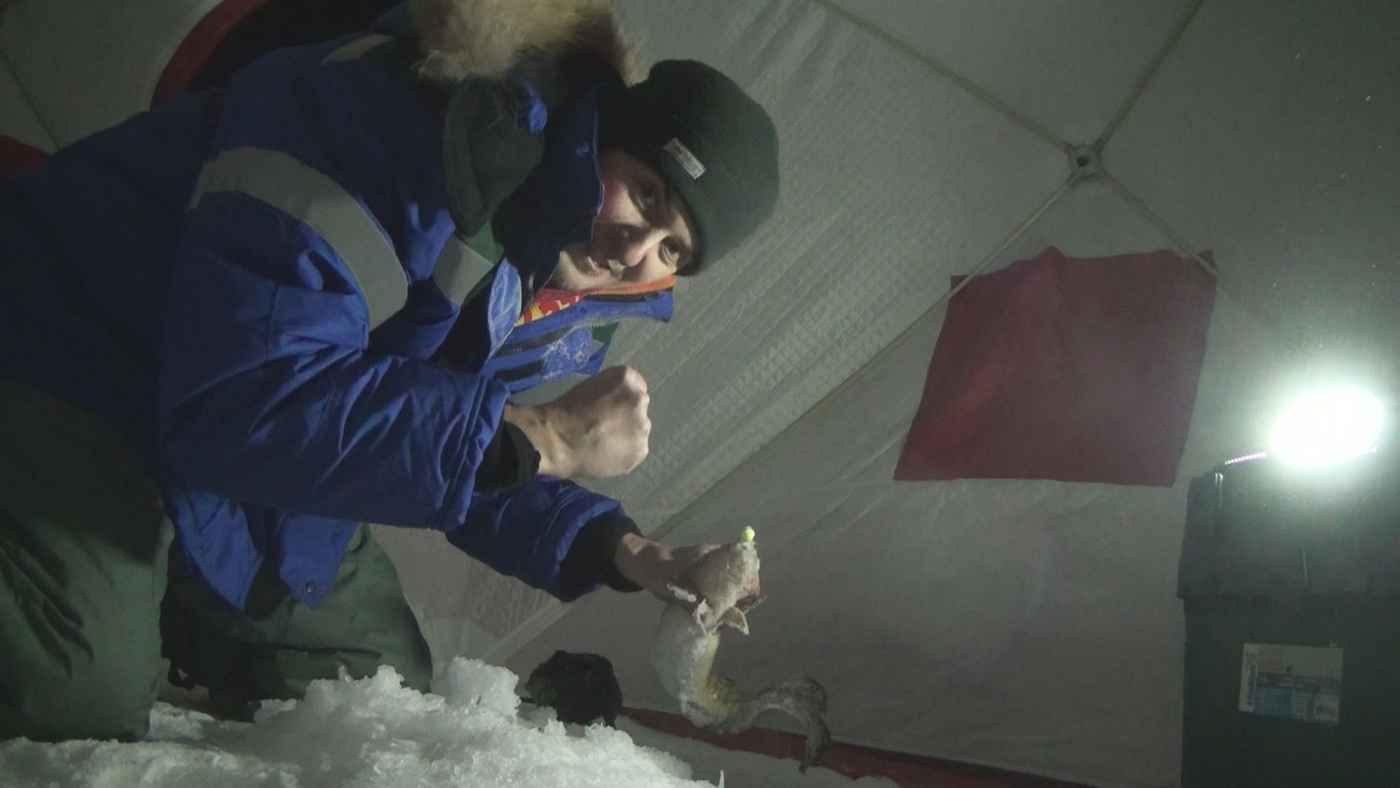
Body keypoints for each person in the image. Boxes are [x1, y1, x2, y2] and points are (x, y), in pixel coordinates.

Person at [0, 0, 779, 741]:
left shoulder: (549, 271)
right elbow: (239, 399)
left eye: (673, 249)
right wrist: (550, 436)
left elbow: (466, 440)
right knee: (69, 690)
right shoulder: (400, 124)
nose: (634, 252)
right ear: (602, 133)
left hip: (243, 449)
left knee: (380, 697)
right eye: (645, 193)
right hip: (73, 357)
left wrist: (622, 549)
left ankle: (157, 588)